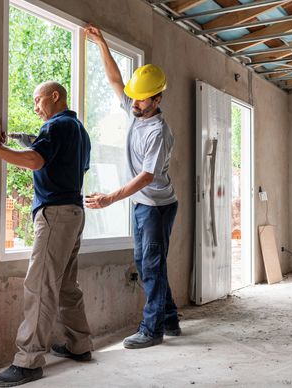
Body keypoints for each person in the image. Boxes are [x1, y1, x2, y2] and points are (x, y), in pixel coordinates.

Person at [0, 81, 92, 387]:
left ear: (55, 96)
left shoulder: (55, 126)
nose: (35, 106)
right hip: (74, 212)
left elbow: (36, 159)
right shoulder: (78, 130)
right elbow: (55, 159)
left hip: (55, 214)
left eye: (37, 99)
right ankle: (79, 345)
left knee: (40, 285)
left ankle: (28, 361)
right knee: (67, 286)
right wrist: (21, 141)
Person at [84, 25, 180, 349]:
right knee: (146, 262)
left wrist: (110, 197)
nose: (134, 102)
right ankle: (169, 316)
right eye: (134, 97)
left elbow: (146, 177)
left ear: (157, 99)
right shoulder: (137, 111)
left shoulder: (158, 132)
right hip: (142, 204)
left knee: (150, 264)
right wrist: (102, 44)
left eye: (141, 99)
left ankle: (152, 330)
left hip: (157, 205)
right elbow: (114, 80)